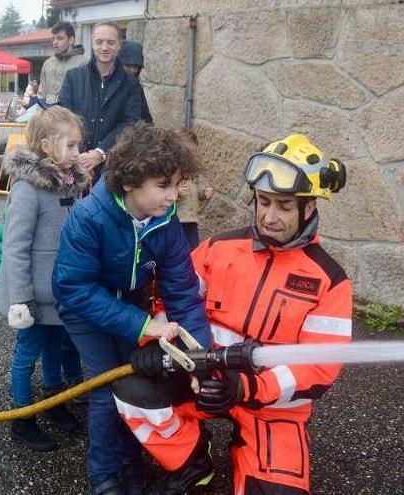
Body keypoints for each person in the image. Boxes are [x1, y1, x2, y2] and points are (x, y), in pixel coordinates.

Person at [117, 134, 352, 495]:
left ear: (309, 208)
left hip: (271, 406)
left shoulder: (329, 281)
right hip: (200, 380)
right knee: (132, 389)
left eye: (284, 206)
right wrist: (160, 344)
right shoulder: (218, 248)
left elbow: (319, 368)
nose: (269, 216)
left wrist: (247, 386)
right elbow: (171, 300)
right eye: (264, 202)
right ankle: (191, 462)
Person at [52, 122, 211, 495]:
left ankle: (130, 460)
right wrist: (142, 325)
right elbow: (72, 287)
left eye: (177, 183)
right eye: (163, 185)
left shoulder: (166, 221)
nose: (173, 196)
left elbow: (184, 295)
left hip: (132, 306)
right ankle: (104, 475)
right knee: (107, 385)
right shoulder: (89, 216)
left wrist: (200, 359)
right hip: (84, 309)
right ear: (129, 182)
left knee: (134, 383)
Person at [0, 106, 88, 451]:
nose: (78, 154)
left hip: (59, 289)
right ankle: (23, 416)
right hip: (32, 295)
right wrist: (21, 299)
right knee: (27, 352)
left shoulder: (69, 181)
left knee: (54, 347)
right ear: (47, 146)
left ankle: (52, 401)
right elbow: (15, 247)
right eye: (72, 146)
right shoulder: (27, 190)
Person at [57, 22, 142, 177]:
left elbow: (130, 123)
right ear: (92, 43)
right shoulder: (73, 77)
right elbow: (62, 115)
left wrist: (100, 153)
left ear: (119, 46)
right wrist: (77, 153)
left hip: (112, 167)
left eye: (111, 42)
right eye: (99, 42)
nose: (104, 48)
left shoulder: (131, 83)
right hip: (74, 164)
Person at [172, 130, 214, 249]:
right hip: (178, 219)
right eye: (189, 152)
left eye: (194, 151)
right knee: (177, 248)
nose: (192, 155)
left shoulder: (193, 172)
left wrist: (204, 193)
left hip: (192, 220)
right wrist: (177, 192)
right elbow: (164, 197)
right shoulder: (174, 171)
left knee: (193, 248)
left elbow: (195, 192)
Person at [38, 22, 86, 105]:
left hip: (73, 114)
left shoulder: (83, 63)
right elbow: (41, 95)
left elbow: (86, 96)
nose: (55, 42)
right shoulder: (48, 63)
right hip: (50, 113)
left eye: (60, 38)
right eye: (53, 39)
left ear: (71, 40)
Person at [117, 41, 153, 124]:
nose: (133, 70)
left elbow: (145, 115)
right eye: (129, 66)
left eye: (136, 66)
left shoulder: (136, 86)